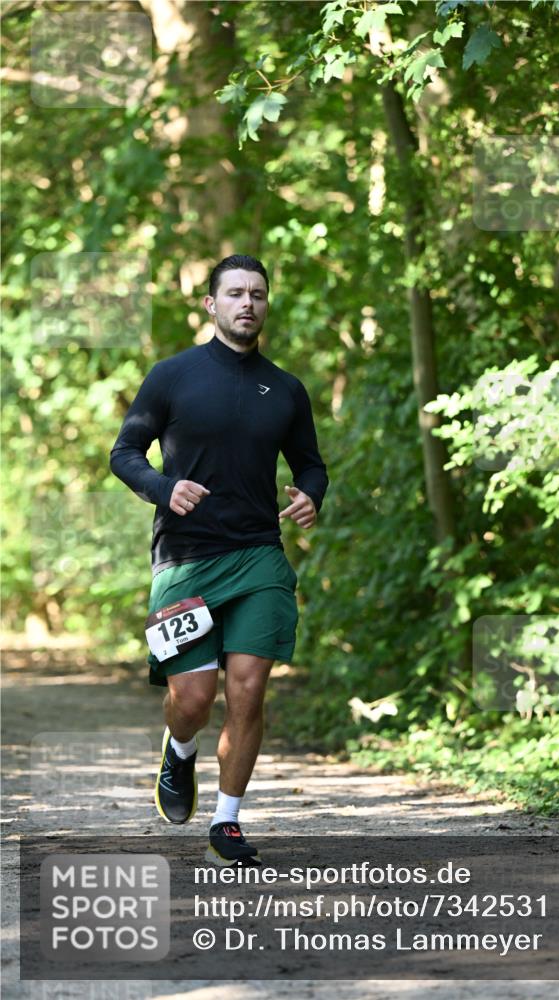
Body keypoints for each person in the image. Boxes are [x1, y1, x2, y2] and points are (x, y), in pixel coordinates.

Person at [110, 254, 328, 865]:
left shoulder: (285, 389)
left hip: (259, 555)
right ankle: (179, 750)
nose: (247, 303)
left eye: (257, 294)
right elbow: (124, 452)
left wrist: (312, 493)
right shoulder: (172, 376)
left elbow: (310, 462)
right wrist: (163, 489)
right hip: (183, 558)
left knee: (249, 690)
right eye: (234, 293)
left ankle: (227, 820)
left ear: (266, 304)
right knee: (194, 698)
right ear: (211, 305)